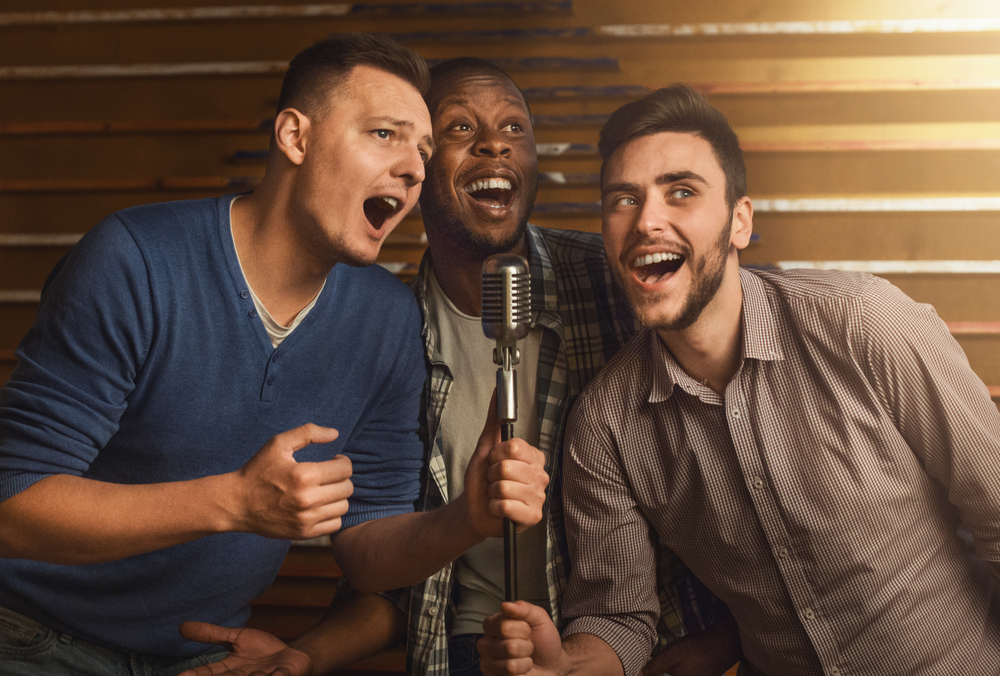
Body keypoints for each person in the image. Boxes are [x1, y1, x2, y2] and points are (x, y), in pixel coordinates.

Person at [0, 35, 547, 676]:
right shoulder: (134, 260)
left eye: (422, 150)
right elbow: (14, 505)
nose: (414, 169)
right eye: (384, 135)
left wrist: (467, 519)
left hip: (200, 656)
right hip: (31, 636)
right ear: (295, 136)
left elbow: (367, 547)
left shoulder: (387, 319)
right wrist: (231, 501)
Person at [178, 61, 740, 676]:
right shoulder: (387, 333)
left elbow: (739, 454)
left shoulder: (627, 281)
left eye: (513, 128)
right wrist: (306, 656)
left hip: (648, 648)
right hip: (469, 650)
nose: (494, 143)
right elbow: (391, 572)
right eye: (459, 128)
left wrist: (719, 642)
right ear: (417, 169)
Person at [478, 83, 1000, 676]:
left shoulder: (864, 324)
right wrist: (566, 666)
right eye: (623, 199)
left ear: (739, 222)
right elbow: (616, 615)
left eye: (681, 192)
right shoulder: (604, 425)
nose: (647, 219)